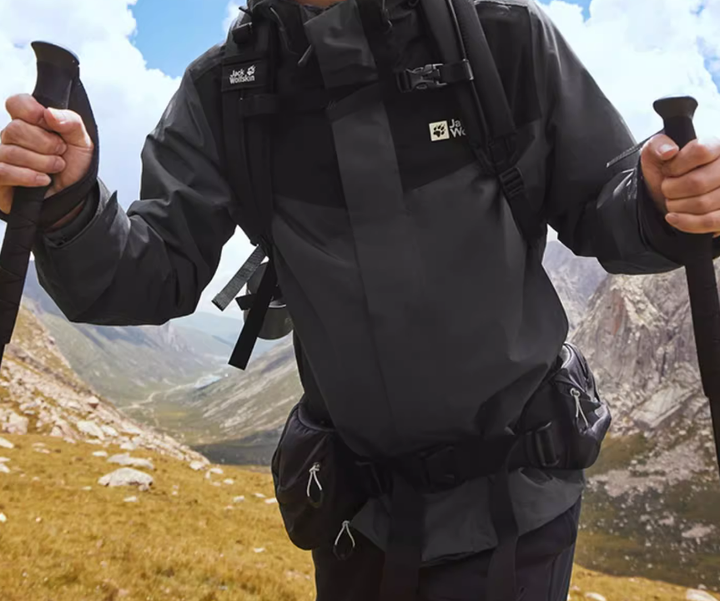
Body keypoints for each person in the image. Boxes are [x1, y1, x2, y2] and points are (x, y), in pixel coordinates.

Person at [2, 0, 720, 599]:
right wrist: (71, 210)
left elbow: (604, 197)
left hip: (516, 513)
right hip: (356, 522)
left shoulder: (504, 38)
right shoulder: (226, 93)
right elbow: (153, 270)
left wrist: (659, 202)